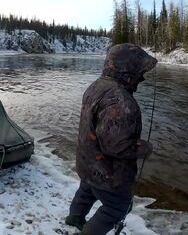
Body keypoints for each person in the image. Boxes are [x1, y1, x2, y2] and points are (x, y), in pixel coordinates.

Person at [66, 43, 157, 235]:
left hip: (86, 161)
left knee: (87, 188)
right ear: (127, 71)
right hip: (108, 172)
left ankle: (74, 217)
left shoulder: (96, 85)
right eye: (140, 71)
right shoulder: (122, 101)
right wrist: (144, 148)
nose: (142, 76)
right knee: (117, 208)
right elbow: (116, 147)